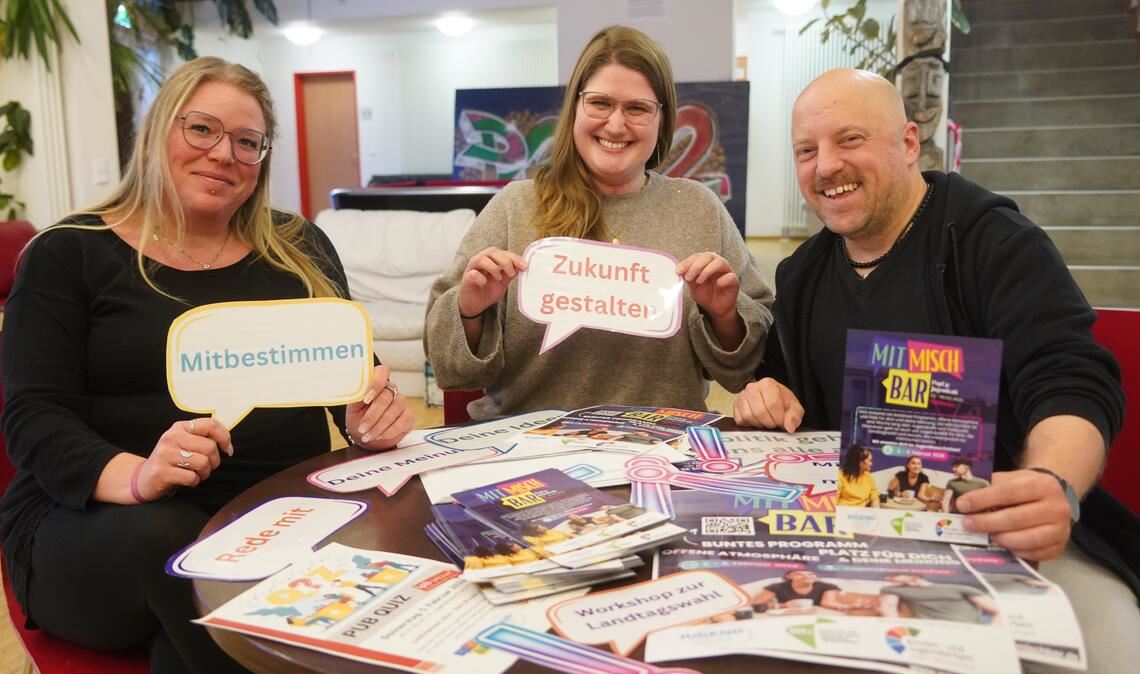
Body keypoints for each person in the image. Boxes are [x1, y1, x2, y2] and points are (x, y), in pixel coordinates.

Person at [0, 57, 413, 674]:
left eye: (247, 142)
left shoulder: (298, 248)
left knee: (189, 633)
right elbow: (33, 418)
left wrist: (371, 416)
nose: (224, 154)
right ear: (157, 133)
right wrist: (139, 477)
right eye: (201, 129)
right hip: (98, 523)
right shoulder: (68, 254)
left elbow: (349, 381)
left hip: (274, 510)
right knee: (181, 549)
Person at [732, 68, 1138, 673]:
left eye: (850, 139)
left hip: (1008, 532)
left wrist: (1052, 482)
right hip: (855, 536)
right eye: (806, 151)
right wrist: (764, 395)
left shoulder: (994, 242)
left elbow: (1071, 377)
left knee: (1108, 651)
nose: (826, 166)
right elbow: (783, 387)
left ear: (907, 144)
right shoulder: (802, 275)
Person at [424, 25, 773, 420]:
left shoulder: (699, 209)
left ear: (662, 120)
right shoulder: (514, 207)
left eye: (637, 108)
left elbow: (752, 362)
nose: (616, 125)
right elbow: (448, 365)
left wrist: (725, 316)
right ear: (575, 107)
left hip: (665, 445)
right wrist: (470, 310)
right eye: (600, 103)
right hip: (527, 447)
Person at [878, 574, 998, 624]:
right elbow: (888, 608)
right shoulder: (891, 589)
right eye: (889, 577)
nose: (890, 578)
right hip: (937, 629)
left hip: (973, 625)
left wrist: (994, 630)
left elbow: (996, 610)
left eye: (893, 575)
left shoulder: (957, 587)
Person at [752, 570, 844, 611]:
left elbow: (828, 602)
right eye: (799, 574)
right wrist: (783, 605)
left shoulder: (828, 586)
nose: (806, 577)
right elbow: (755, 603)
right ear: (789, 576)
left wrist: (848, 607)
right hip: (788, 617)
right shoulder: (777, 587)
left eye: (810, 574)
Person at [837, 443, 879, 508]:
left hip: (861, 512)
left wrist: (876, 511)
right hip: (844, 511)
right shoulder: (840, 476)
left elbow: (874, 496)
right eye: (869, 461)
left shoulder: (868, 476)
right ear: (860, 462)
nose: (871, 464)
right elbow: (832, 502)